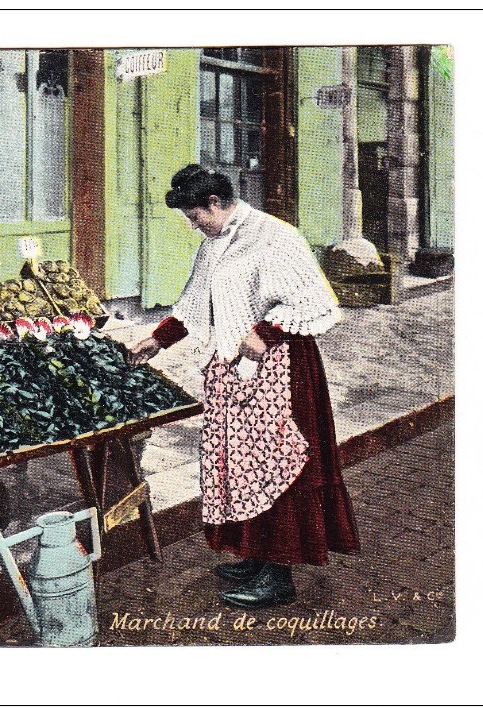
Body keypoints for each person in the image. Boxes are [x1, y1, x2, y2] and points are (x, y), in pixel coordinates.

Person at [128, 164, 359, 609]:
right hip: (232, 370)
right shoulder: (215, 244)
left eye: (197, 217)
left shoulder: (276, 236)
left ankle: (279, 573)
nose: (196, 227)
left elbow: (315, 301)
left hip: (279, 369)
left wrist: (267, 333)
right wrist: (155, 340)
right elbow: (195, 302)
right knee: (238, 465)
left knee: (277, 465)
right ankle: (255, 555)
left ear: (216, 204)